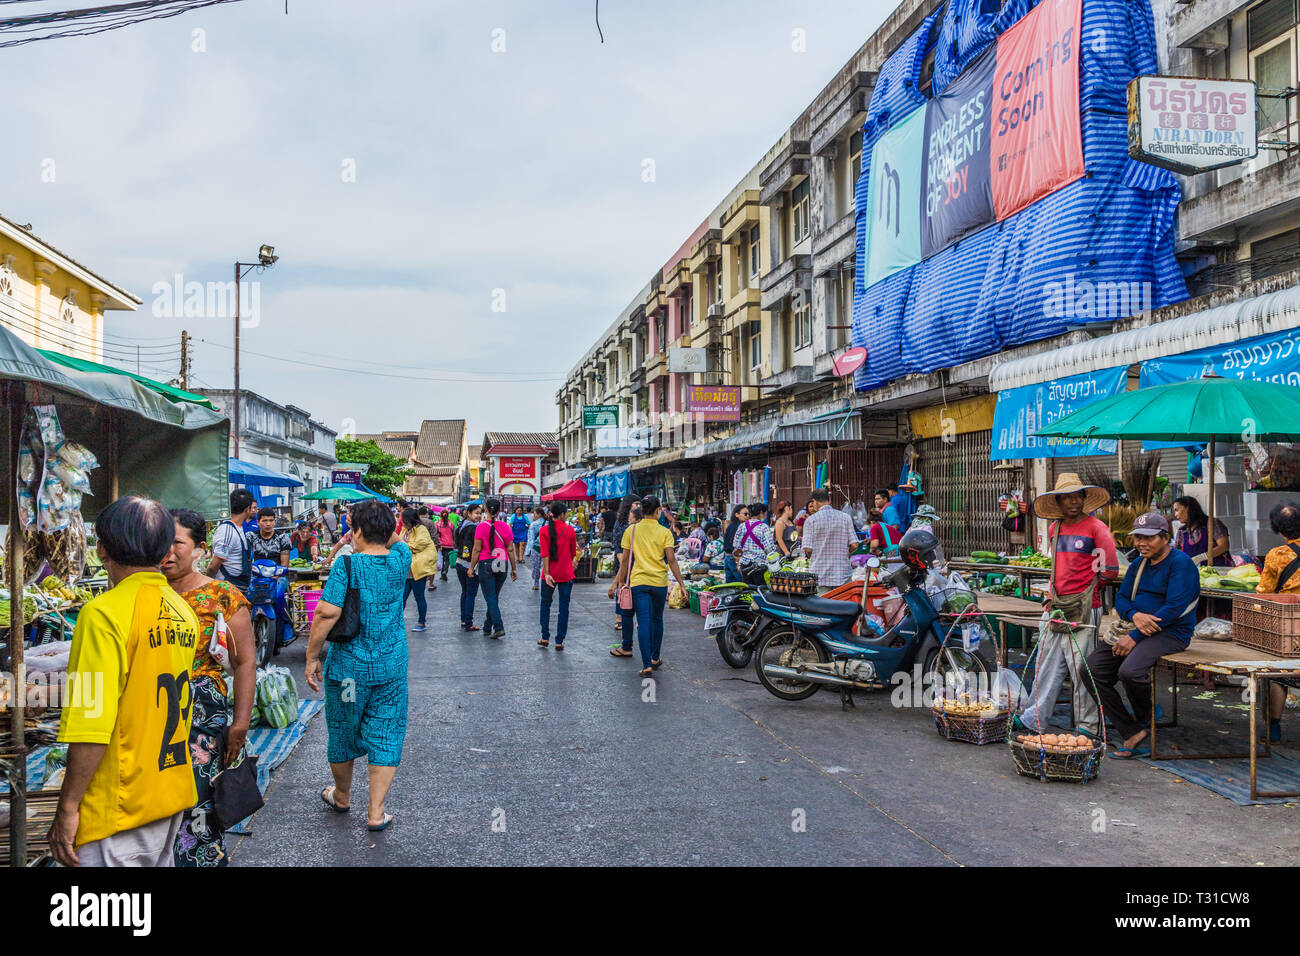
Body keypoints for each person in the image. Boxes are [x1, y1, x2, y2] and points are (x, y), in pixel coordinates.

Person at [49, 496, 200, 867]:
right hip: (169, 793)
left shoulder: (102, 614)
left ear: (101, 549)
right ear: (165, 549)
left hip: (119, 807)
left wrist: (67, 807)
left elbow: (91, 723)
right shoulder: (183, 610)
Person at [304, 499, 409, 831]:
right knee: (387, 732)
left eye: (352, 527)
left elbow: (326, 613)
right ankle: (376, 812)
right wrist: (382, 525)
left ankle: (342, 796)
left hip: (349, 671)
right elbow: (396, 540)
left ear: (359, 530)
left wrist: (310, 657)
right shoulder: (401, 559)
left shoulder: (347, 566)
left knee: (342, 730)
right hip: (391, 666)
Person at [162, 509, 257, 867]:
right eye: (161, 543)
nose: (167, 553)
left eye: (177, 543)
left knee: (199, 801)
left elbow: (246, 662)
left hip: (202, 719)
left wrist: (240, 724)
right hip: (153, 716)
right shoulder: (146, 593)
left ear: (200, 548)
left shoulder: (222, 596)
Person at [1083, 512, 1200, 759]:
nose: (1141, 543)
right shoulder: (1138, 564)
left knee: (1130, 671)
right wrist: (1136, 616)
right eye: (1138, 538)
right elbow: (1122, 599)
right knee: (1090, 670)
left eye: (1149, 538)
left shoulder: (1181, 564)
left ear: (1165, 537)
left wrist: (1135, 636)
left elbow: (1174, 608)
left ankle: (1145, 717)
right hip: (1134, 628)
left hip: (1171, 631)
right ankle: (1132, 729)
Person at [1014, 474, 1118, 740]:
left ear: (1084, 499)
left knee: (1081, 669)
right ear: (1058, 501)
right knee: (1047, 665)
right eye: (1067, 497)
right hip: (1055, 606)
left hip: (1085, 609)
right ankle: (1033, 720)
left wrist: (1090, 591)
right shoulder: (1054, 529)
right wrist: (1052, 596)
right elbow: (1056, 568)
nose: (1073, 501)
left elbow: (1110, 570)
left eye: (1077, 496)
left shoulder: (1097, 528)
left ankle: (1087, 727)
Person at [608, 496, 687, 676]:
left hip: (638, 582)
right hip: (659, 583)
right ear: (658, 511)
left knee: (643, 622)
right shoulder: (665, 532)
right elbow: (672, 561)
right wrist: (682, 585)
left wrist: (616, 584)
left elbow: (625, 561)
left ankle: (646, 664)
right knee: (657, 620)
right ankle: (655, 657)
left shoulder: (631, 531)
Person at [1255, 501, 1300, 742]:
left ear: (1278, 530)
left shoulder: (1277, 556)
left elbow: (1264, 593)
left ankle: (1273, 727)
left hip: (1290, 626)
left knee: (1279, 674)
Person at [470, 497, 518, 638]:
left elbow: (476, 549)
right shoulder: (505, 527)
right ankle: (487, 626)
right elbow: (510, 549)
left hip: (486, 563)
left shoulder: (481, 527)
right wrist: (514, 569)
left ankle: (498, 627)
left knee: (490, 597)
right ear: (499, 511)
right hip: (501, 562)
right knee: (494, 597)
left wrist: (471, 567)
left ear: (485, 509)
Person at [538, 502, 579, 649]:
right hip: (566, 574)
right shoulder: (570, 530)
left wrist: (547, 573)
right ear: (561, 514)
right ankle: (559, 640)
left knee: (545, 604)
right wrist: (573, 561)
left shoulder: (544, 530)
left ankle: (544, 637)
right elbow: (574, 553)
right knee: (564, 607)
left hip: (549, 574)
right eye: (566, 513)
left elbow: (545, 554)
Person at [801, 488, 856, 592]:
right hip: (842, 574)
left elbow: (808, 550)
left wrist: (816, 556)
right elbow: (855, 545)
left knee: (823, 607)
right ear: (829, 500)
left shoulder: (811, 520)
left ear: (814, 502)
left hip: (820, 575)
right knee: (844, 606)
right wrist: (846, 554)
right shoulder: (845, 517)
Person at [207, 488, 256, 588]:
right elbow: (213, 565)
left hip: (237, 589)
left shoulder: (239, 529)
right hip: (226, 589)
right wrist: (207, 587)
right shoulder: (227, 531)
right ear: (248, 509)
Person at [609, 495, 640, 653]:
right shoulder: (620, 523)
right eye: (635, 503)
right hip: (623, 561)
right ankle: (619, 617)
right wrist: (624, 566)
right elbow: (618, 546)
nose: (637, 506)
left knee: (629, 591)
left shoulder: (638, 524)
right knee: (622, 591)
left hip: (636, 563)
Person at [400, 506, 435, 633]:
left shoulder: (421, 529)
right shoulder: (406, 530)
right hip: (406, 571)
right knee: (401, 598)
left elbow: (420, 545)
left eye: (404, 520)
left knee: (419, 597)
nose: (402, 522)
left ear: (410, 519)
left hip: (417, 571)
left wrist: (404, 546)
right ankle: (397, 622)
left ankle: (421, 622)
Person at [1173, 495, 1230, 567]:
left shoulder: (1211, 523)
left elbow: (1224, 546)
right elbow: (1178, 554)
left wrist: (1202, 557)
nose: (1176, 515)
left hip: (1219, 569)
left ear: (1188, 508)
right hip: (1195, 573)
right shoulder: (1182, 532)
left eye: (1177, 510)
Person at [455, 503, 483, 631]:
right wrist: (473, 567)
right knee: (470, 594)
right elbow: (476, 549)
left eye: (480, 513)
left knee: (465, 592)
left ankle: (463, 619)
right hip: (470, 565)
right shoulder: (474, 528)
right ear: (469, 513)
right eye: (476, 513)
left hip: (459, 562)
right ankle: (468, 623)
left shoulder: (461, 525)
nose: (479, 516)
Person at [735, 502, 775, 570]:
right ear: (761, 513)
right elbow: (769, 549)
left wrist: (738, 563)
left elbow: (737, 549)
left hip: (745, 565)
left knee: (745, 581)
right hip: (760, 566)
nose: (765, 517)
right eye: (765, 514)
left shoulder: (741, 526)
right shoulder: (764, 527)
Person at [722, 504, 749, 583]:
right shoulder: (739, 527)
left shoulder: (731, 525)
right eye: (745, 514)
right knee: (741, 584)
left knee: (730, 587)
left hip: (728, 558)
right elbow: (736, 546)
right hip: (734, 559)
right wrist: (738, 562)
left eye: (748, 514)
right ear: (736, 515)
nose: (747, 516)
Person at [526, 505, 547, 591]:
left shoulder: (533, 524)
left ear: (539, 515)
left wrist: (528, 551)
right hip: (547, 548)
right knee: (547, 566)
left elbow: (531, 539)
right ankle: (546, 582)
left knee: (536, 566)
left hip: (536, 548)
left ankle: (536, 583)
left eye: (534, 514)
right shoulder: (548, 523)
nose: (533, 516)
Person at [434, 510, 456, 582]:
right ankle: (445, 571)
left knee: (441, 559)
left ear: (440, 515)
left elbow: (435, 534)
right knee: (447, 560)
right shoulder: (451, 524)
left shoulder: (437, 523)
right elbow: (454, 534)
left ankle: (442, 573)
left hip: (440, 545)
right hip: (449, 545)